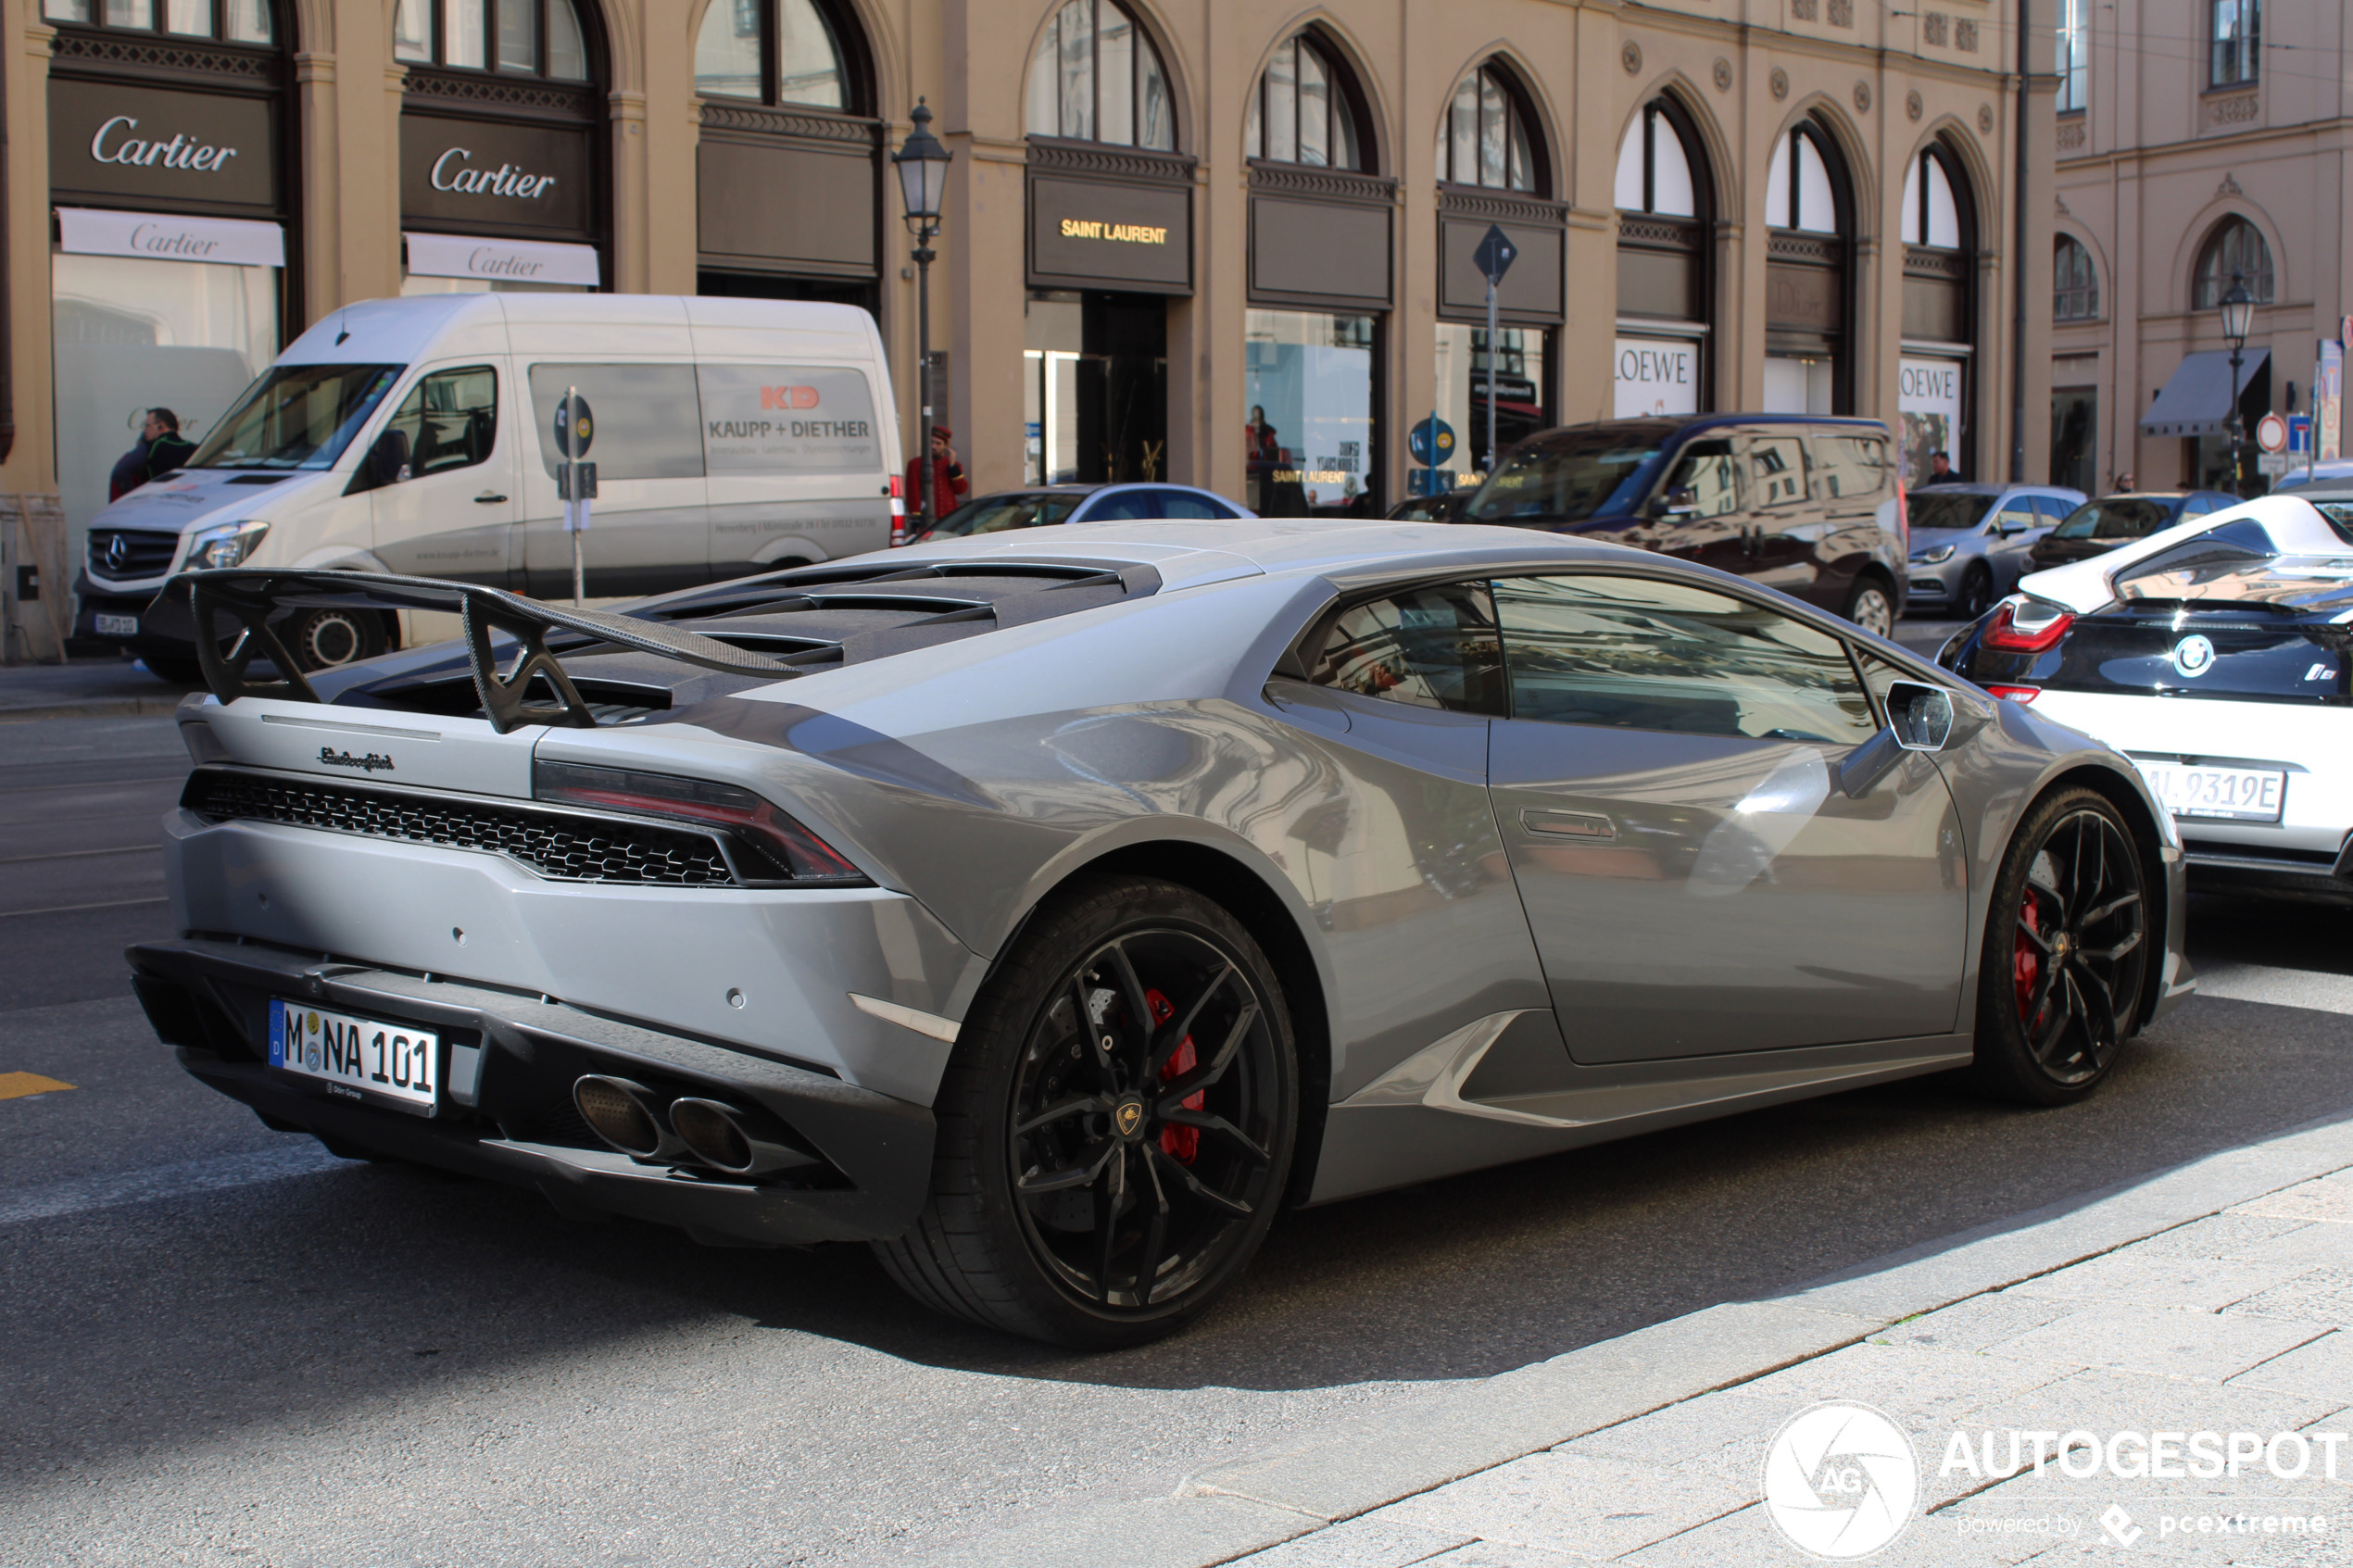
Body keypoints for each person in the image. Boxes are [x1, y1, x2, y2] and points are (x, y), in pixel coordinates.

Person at [107, 408, 198, 502]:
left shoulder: (151, 447)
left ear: (160, 426)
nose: (144, 430)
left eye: (147, 426)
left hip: (155, 505)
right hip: (184, 505)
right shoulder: (193, 448)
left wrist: (135, 498)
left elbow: (120, 472)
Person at [904, 426, 968, 524]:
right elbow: (913, 493)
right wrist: (916, 517)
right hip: (926, 517)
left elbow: (961, 489)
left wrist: (952, 467)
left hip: (949, 517)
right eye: (931, 442)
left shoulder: (953, 464)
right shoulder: (916, 464)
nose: (933, 446)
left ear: (945, 445)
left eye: (938, 443)